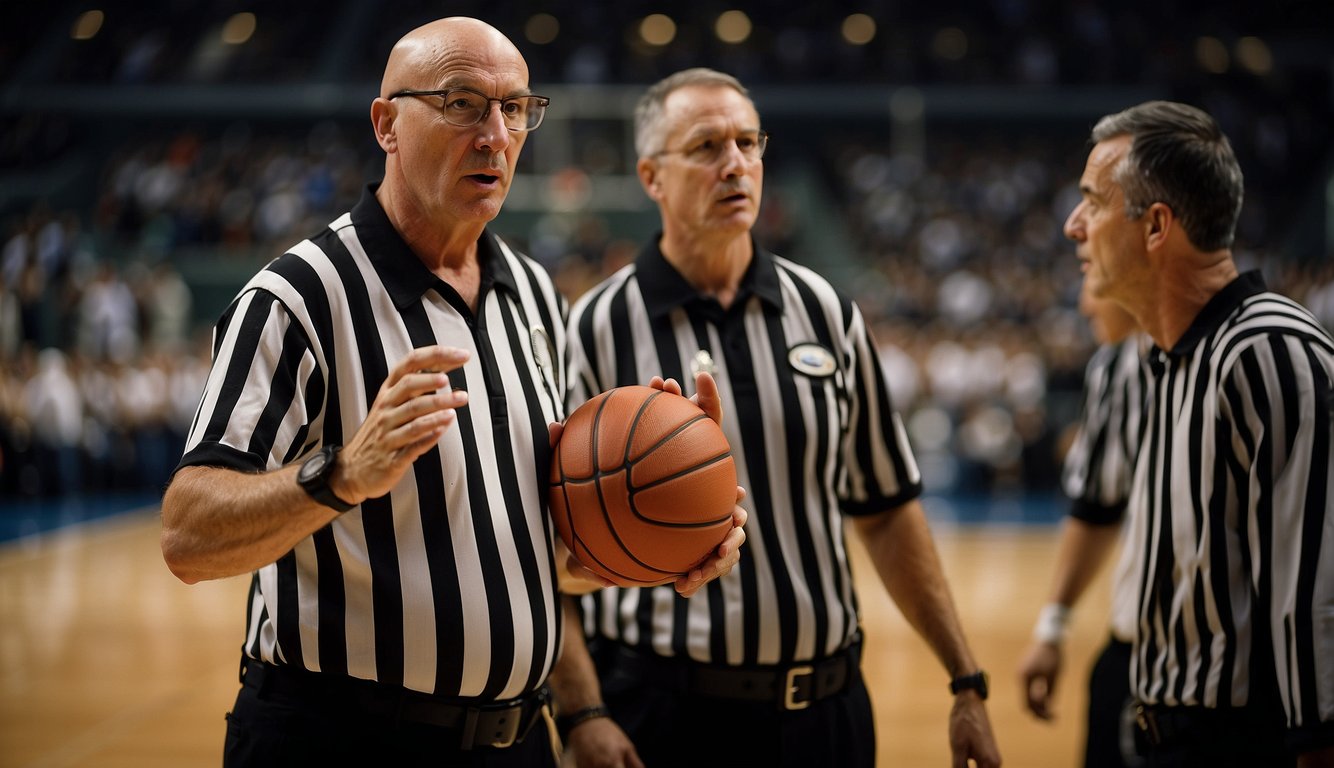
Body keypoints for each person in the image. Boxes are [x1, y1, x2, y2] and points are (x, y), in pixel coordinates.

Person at [159, 20, 742, 768]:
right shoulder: (297, 296)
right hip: (339, 741)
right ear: (387, 124)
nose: (496, 135)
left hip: (518, 741)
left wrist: (657, 541)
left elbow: (539, 555)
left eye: (516, 108)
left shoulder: (534, 294)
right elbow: (187, 538)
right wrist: (341, 476)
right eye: (462, 103)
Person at [548, 67, 1001, 768]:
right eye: (705, 147)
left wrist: (965, 679)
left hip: (824, 710)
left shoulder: (825, 309)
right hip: (659, 712)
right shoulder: (592, 328)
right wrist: (583, 714)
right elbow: (553, 553)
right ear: (651, 176)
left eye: (748, 143)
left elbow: (886, 508)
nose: (736, 164)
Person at [1062, 99, 1334, 767]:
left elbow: (1318, 594)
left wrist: (1316, 745)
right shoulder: (1165, 356)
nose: (1073, 227)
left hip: (1240, 744)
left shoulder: (1270, 350)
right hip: (1161, 729)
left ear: (1156, 226)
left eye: (1092, 203)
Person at [1017, 276, 1148, 768]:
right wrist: (1052, 627)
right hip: (1131, 653)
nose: (1081, 299)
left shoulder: (1256, 354)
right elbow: (1095, 511)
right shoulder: (1115, 369)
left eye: (1089, 275)